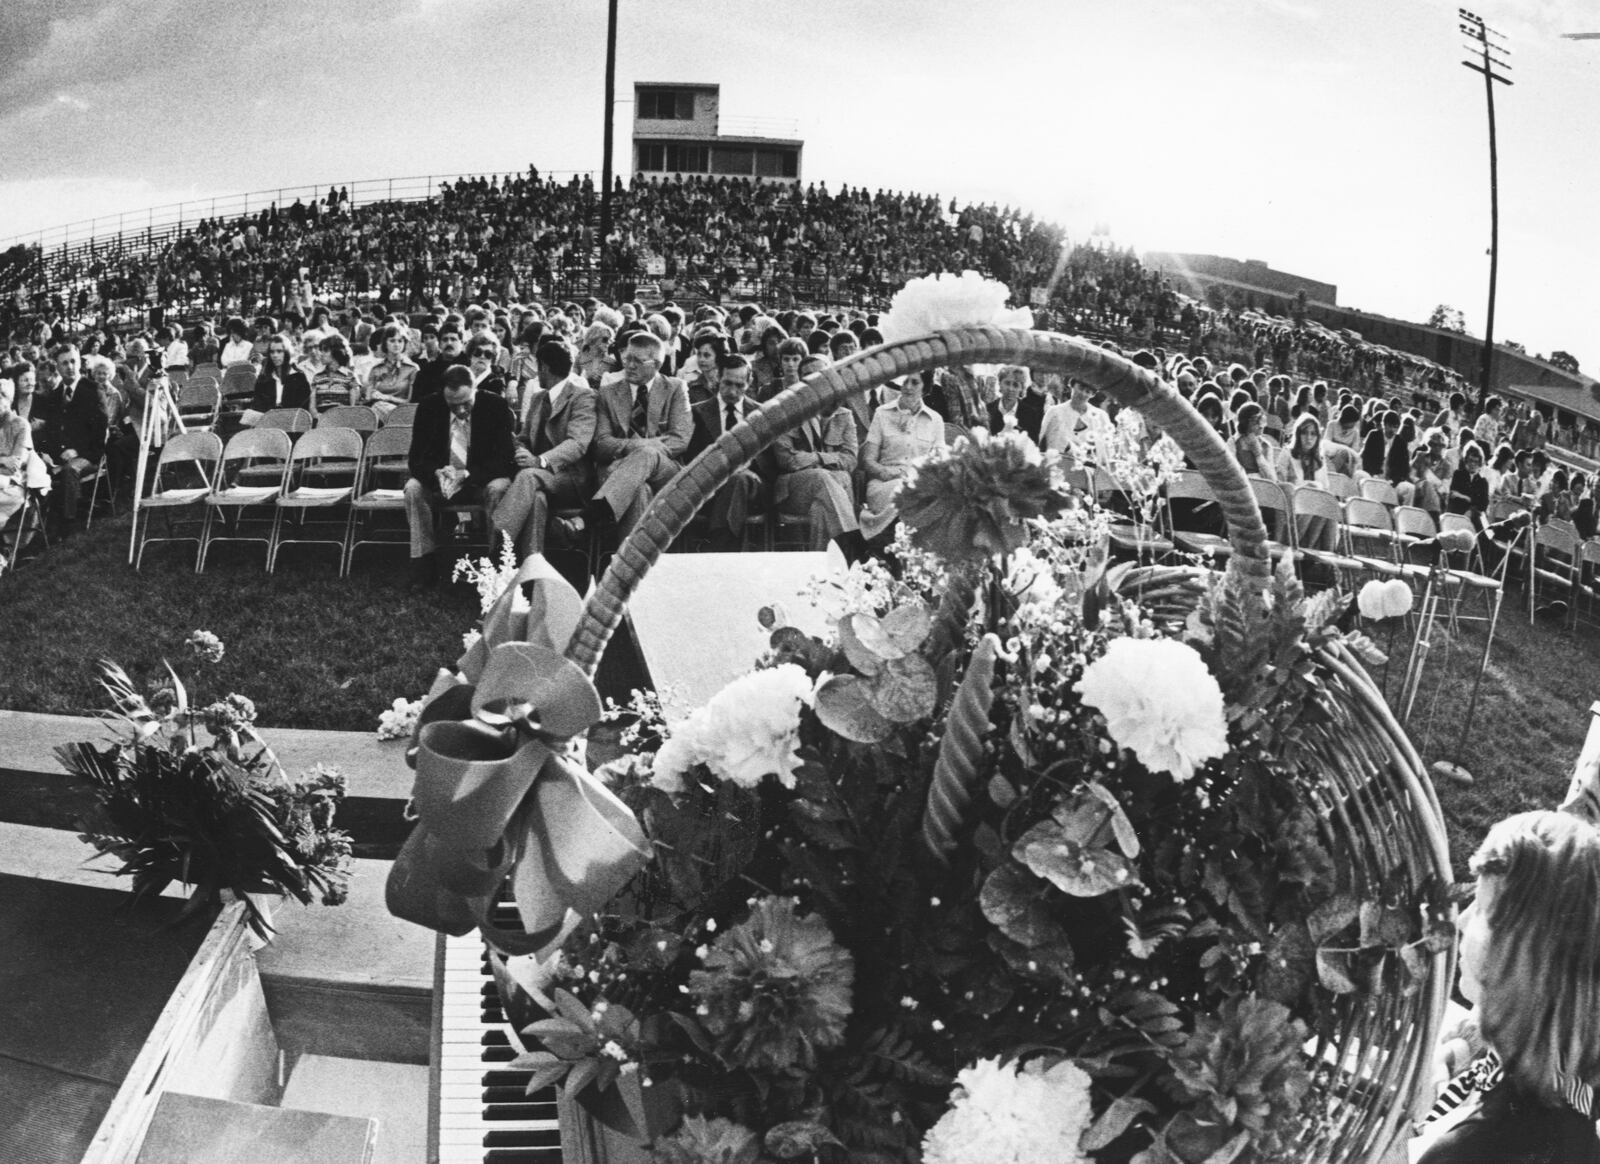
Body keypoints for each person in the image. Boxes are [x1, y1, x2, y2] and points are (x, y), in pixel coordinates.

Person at [1415, 810, 1600, 1164]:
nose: (1463, 921)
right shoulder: (1564, 1089)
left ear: (1523, 956)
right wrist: (1453, 1058)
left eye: (1481, 907)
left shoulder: (1471, 1152)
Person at [404, 364, 517, 589]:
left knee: (499, 488)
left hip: (481, 480)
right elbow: (416, 459)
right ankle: (423, 561)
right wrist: (436, 472)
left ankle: (497, 562)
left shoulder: (495, 406)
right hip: (442, 481)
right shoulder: (429, 407)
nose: (462, 410)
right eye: (454, 405)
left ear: (475, 389)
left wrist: (468, 474)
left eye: (467, 402)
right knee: (413, 488)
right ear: (443, 396)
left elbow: (505, 460)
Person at [494, 339, 596, 560]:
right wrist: (520, 450)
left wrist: (539, 460)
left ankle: (498, 548)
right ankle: (532, 569)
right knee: (536, 498)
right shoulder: (539, 397)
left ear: (544, 367)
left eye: (537, 367)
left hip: (570, 478)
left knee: (529, 477)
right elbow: (523, 437)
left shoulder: (583, 397)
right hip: (539, 479)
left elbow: (577, 444)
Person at [587, 332, 691, 537]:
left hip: (665, 472)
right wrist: (637, 447)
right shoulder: (608, 393)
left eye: (638, 361)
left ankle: (590, 516)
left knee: (647, 455)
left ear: (657, 364)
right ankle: (633, 565)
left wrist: (640, 451)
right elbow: (601, 443)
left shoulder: (675, 388)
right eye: (627, 358)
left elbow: (680, 439)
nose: (630, 365)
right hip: (617, 474)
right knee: (639, 490)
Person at [772, 354, 862, 554]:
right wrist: (830, 462)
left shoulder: (844, 415)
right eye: (807, 376)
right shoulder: (785, 412)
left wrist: (816, 458)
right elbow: (787, 460)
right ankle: (854, 549)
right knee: (825, 477)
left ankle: (823, 567)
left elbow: (851, 459)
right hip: (794, 491)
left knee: (822, 506)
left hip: (828, 491)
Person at [685, 353, 768, 546]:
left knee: (738, 479)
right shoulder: (697, 412)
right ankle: (725, 549)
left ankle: (719, 547)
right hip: (709, 486)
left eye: (739, 386)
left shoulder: (761, 414)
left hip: (751, 486)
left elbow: (769, 463)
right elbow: (690, 458)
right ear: (717, 378)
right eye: (727, 383)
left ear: (750, 382)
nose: (732, 392)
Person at [859, 371, 945, 545]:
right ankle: (902, 551)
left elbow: (940, 463)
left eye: (915, 383)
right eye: (905, 381)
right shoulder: (882, 413)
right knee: (905, 492)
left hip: (920, 485)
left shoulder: (935, 420)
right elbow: (868, 460)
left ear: (925, 388)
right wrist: (886, 474)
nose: (907, 387)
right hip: (884, 484)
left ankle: (914, 556)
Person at [1039, 378, 1113, 465]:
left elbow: (1107, 454)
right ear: (1072, 385)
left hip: (1089, 471)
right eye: (1081, 388)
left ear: (1092, 395)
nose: (1083, 394)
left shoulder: (1101, 416)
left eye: (1088, 391)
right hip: (1058, 466)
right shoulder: (1054, 412)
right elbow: (1041, 443)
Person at [243, 333, 311, 423]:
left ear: (286, 353)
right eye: (272, 352)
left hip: (292, 425)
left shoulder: (299, 378)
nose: (275, 355)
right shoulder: (263, 378)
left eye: (279, 351)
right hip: (267, 425)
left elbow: (303, 410)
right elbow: (257, 405)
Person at [363, 323, 419, 416]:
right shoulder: (376, 369)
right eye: (392, 341)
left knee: (378, 406)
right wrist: (371, 394)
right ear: (385, 343)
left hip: (404, 412)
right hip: (378, 411)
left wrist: (388, 398)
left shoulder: (412, 368)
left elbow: (411, 401)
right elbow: (368, 398)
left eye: (400, 341)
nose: (396, 345)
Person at [0, 377, 32, 536]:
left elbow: (14, 466)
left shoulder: (20, 425)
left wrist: (7, 462)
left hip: (13, 485)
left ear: (9, 400)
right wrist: (3, 460)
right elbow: (7, 463)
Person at [985, 364, 1044, 445]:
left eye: (1015, 385)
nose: (1010, 389)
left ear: (1021, 389)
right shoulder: (988, 410)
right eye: (1007, 383)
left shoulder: (1031, 414)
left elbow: (1033, 445)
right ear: (1000, 384)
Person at [1232, 402, 1275, 480]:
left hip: (1263, 487)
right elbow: (1231, 471)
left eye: (1262, 420)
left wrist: (1258, 454)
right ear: (1245, 423)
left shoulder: (1266, 445)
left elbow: (1272, 479)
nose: (1261, 425)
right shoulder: (1234, 442)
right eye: (1256, 421)